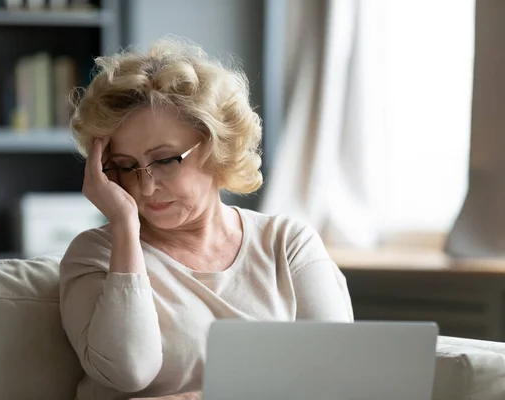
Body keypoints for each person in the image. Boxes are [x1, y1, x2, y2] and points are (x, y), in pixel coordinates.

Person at [59, 37, 354, 400]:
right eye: (124, 166)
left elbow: (338, 377)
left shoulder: (287, 244)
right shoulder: (96, 254)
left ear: (216, 146)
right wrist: (125, 228)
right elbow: (128, 371)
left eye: (165, 160)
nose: (146, 188)